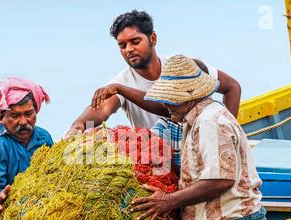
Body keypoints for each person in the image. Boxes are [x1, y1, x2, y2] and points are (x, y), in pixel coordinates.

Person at [131, 55, 269, 220]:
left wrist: (168, 200)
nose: (166, 105)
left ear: (191, 96)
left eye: (172, 100)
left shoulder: (209, 122)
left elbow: (221, 180)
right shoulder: (196, 118)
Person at [63, 10, 241, 139]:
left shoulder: (183, 67)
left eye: (135, 41)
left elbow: (232, 88)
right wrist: (77, 127)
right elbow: (101, 111)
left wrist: (229, 134)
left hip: (201, 146)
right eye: (122, 45)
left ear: (153, 39)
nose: (129, 49)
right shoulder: (121, 83)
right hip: (160, 161)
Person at [0, 77, 53, 220]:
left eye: (28, 114)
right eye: (15, 115)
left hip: (41, 216)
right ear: (3, 117)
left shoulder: (44, 138)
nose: (23, 121)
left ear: (36, 111)